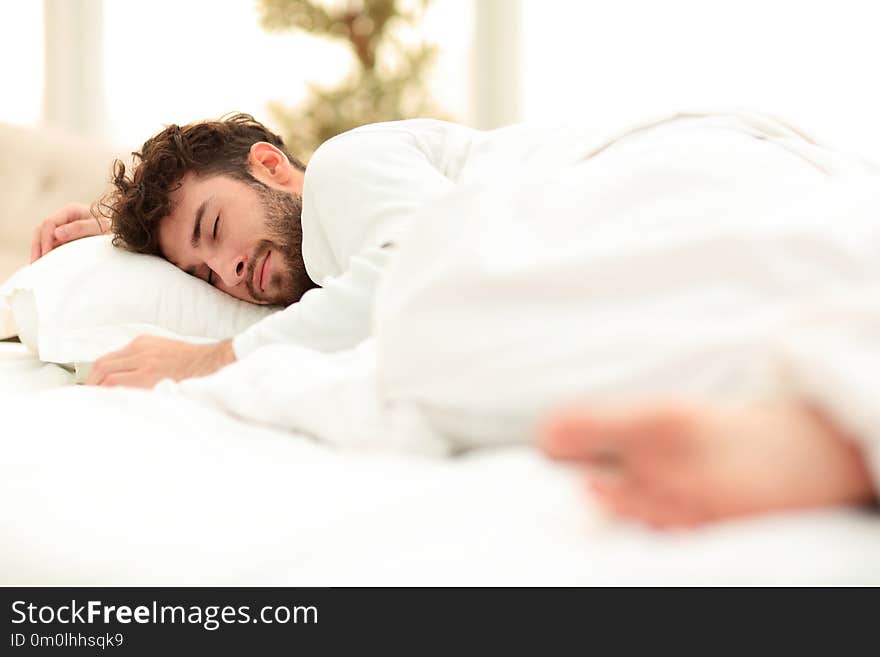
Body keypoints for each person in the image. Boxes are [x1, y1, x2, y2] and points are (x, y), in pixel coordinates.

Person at [31, 110, 879, 527]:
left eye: (216, 231)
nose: (229, 274)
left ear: (272, 167)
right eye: (201, 273)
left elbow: (408, 268)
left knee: (431, 334)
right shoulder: (324, 260)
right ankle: (819, 420)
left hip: (672, 172)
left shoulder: (344, 169)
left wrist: (208, 357)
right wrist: (117, 238)